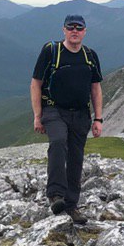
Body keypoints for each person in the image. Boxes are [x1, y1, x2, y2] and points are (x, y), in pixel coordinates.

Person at [30, 14, 103, 224]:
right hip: (53, 109)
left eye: (79, 28)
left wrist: (98, 119)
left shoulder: (90, 56)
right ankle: (55, 195)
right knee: (58, 141)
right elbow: (36, 83)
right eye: (70, 27)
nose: (75, 31)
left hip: (80, 114)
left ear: (85, 31)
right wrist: (37, 116)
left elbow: (96, 88)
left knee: (76, 158)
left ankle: (71, 205)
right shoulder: (51, 51)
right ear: (64, 30)